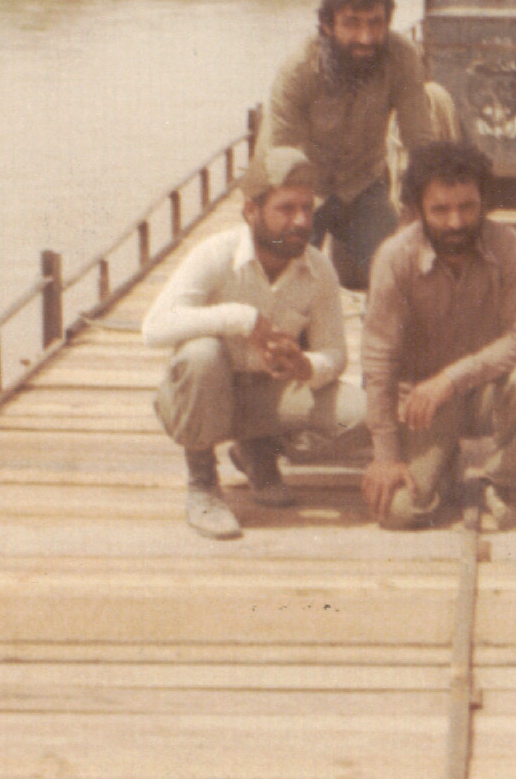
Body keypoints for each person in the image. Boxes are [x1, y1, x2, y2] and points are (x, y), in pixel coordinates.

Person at [142, 146, 364, 540]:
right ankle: (203, 485)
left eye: (307, 208)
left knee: (361, 416)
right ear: (250, 211)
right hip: (204, 396)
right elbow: (154, 327)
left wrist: (305, 366)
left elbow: (335, 354)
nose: (301, 221)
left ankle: (260, 450)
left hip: (268, 398)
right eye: (285, 209)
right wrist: (241, 319)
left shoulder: (319, 269)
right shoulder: (215, 255)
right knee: (201, 354)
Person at [359, 140, 516, 530]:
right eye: (440, 210)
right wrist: (386, 456)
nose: (455, 222)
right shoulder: (395, 258)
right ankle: (443, 461)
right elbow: (379, 362)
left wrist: (450, 379)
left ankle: (500, 479)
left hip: (484, 393)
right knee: (398, 512)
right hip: (421, 407)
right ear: (417, 209)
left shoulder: (512, 249)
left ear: (484, 202)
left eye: (467, 207)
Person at [256, 0, 437, 291]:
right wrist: (289, 230)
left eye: (375, 23)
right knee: (284, 280)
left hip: (363, 185)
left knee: (398, 275)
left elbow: (421, 142)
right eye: (352, 23)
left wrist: (418, 209)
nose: (366, 38)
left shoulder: (402, 58)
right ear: (328, 26)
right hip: (305, 188)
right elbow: (281, 163)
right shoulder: (298, 69)